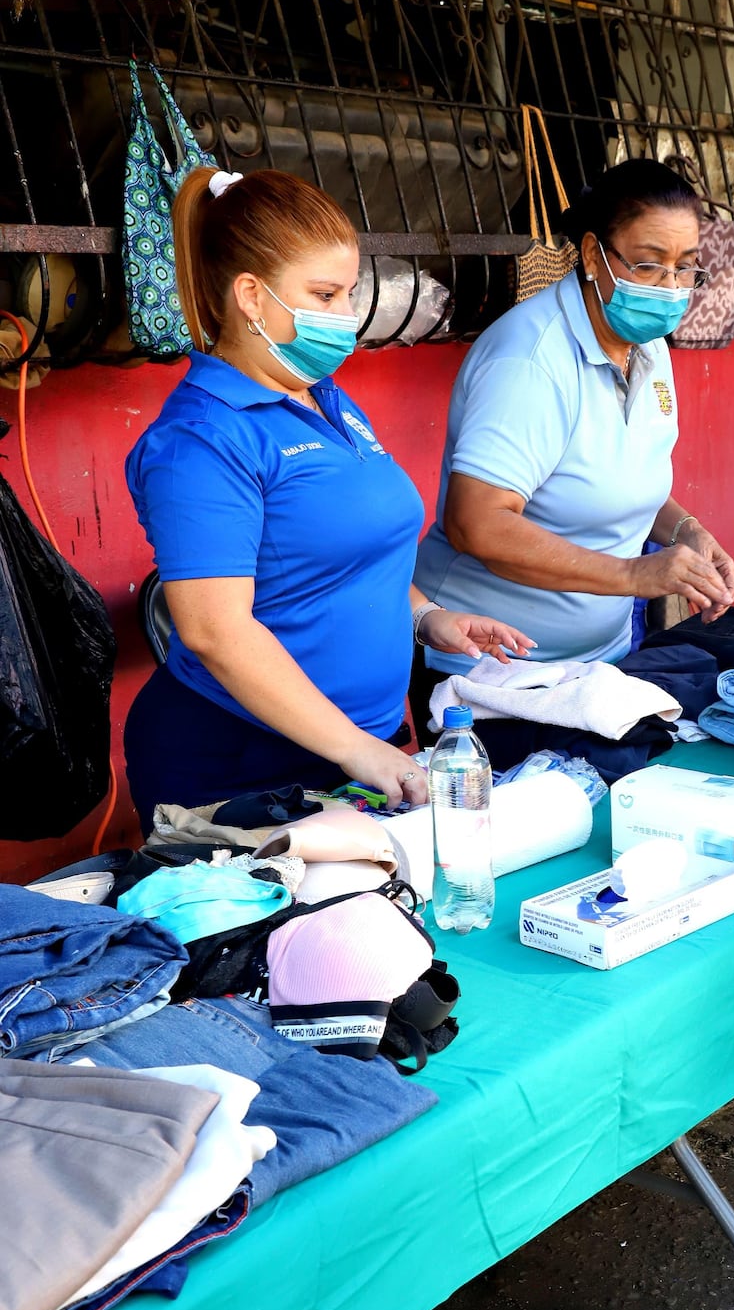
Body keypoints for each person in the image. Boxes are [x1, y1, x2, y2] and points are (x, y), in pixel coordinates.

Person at [124, 167, 531, 828]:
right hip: (246, 761)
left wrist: (428, 618)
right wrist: (355, 748)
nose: (345, 316)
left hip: (360, 748)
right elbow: (214, 631)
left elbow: (348, 555)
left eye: (348, 292)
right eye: (324, 294)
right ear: (251, 296)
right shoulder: (201, 440)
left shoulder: (326, 401)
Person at [411, 159, 734, 726]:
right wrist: (635, 576)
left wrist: (687, 531)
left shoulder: (647, 347)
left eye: (686, 267)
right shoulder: (530, 360)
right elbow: (476, 523)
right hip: (493, 668)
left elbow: (614, 480)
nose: (670, 287)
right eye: (648, 265)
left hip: (599, 660)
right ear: (592, 255)